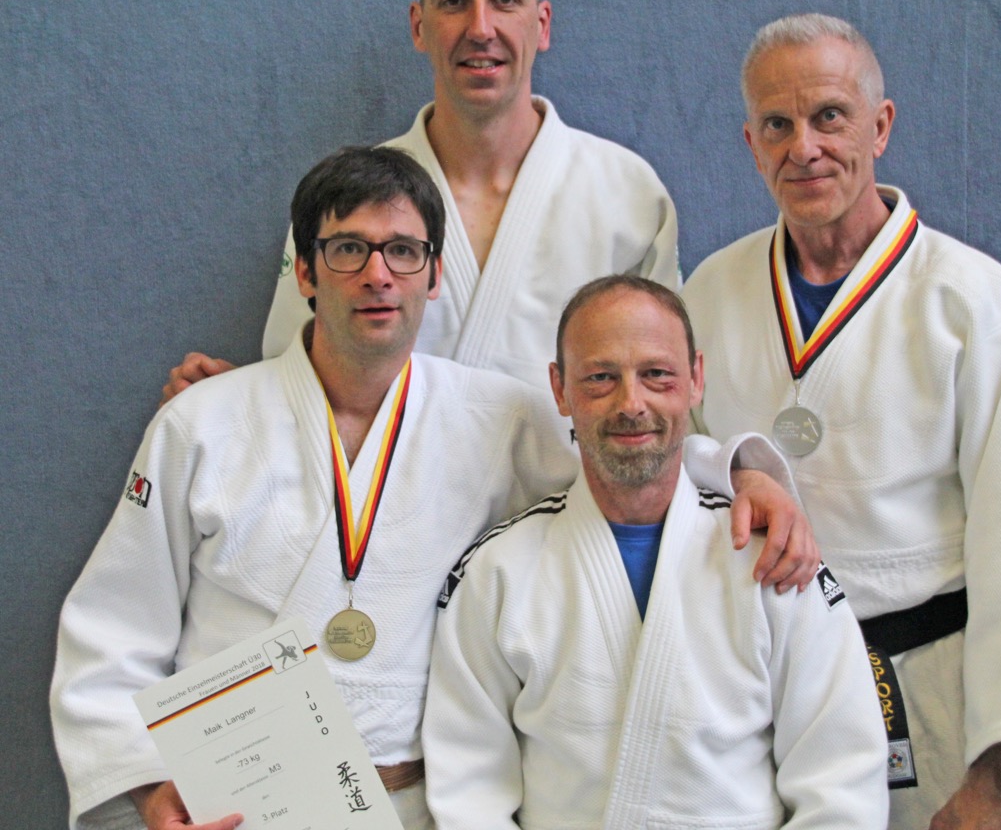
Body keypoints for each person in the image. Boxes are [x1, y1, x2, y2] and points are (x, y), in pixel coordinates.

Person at [50, 147, 804, 830]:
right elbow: (113, 631)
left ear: (434, 275)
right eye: (348, 248)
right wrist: (149, 787)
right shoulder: (201, 424)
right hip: (236, 805)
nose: (378, 275)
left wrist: (740, 472)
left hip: (418, 806)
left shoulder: (497, 417)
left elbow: (628, 456)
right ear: (305, 272)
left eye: (404, 251)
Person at [681, 14, 1001, 830]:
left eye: (828, 116)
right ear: (750, 144)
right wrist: (736, 467)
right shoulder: (709, 292)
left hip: (935, 695)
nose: (803, 148)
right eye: (776, 125)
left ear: (880, 126)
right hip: (765, 689)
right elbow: (667, 457)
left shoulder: (975, 302)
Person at [423, 276, 889, 829]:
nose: (631, 403)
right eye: (600, 377)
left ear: (695, 379)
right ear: (560, 389)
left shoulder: (775, 560)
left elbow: (841, 782)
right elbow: (469, 791)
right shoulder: (496, 572)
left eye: (657, 374)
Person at [165, 0, 679, 404]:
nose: (481, 28)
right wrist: (234, 402)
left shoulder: (629, 194)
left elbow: (668, 394)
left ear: (541, 25)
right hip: (384, 472)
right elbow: (294, 377)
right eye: (454, 1)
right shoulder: (344, 197)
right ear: (419, 26)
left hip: (565, 471)